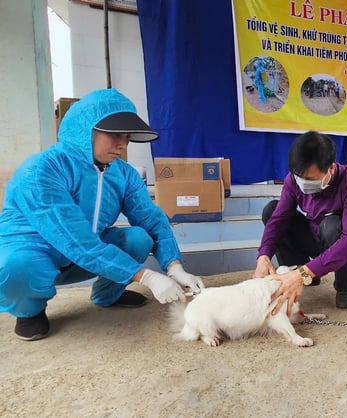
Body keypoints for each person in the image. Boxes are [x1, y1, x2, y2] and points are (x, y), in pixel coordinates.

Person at [0, 88, 205, 341]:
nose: (123, 143)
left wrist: (174, 266)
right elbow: (74, 239)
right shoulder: (42, 170)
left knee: (139, 238)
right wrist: (145, 276)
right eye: (114, 134)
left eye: (127, 135)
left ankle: (108, 295)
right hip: (36, 251)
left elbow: (151, 219)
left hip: (87, 250)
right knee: (16, 266)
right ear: (86, 130)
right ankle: (29, 309)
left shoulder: (123, 174)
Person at [255, 131, 347, 312]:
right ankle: (302, 271)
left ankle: (346, 285)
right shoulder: (293, 181)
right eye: (298, 176)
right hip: (317, 237)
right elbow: (279, 220)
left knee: (332, 225)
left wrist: (303, 274)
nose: (303, 183)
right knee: (272, 211)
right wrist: (263, 256)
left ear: (331, 169)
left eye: (309, 179)